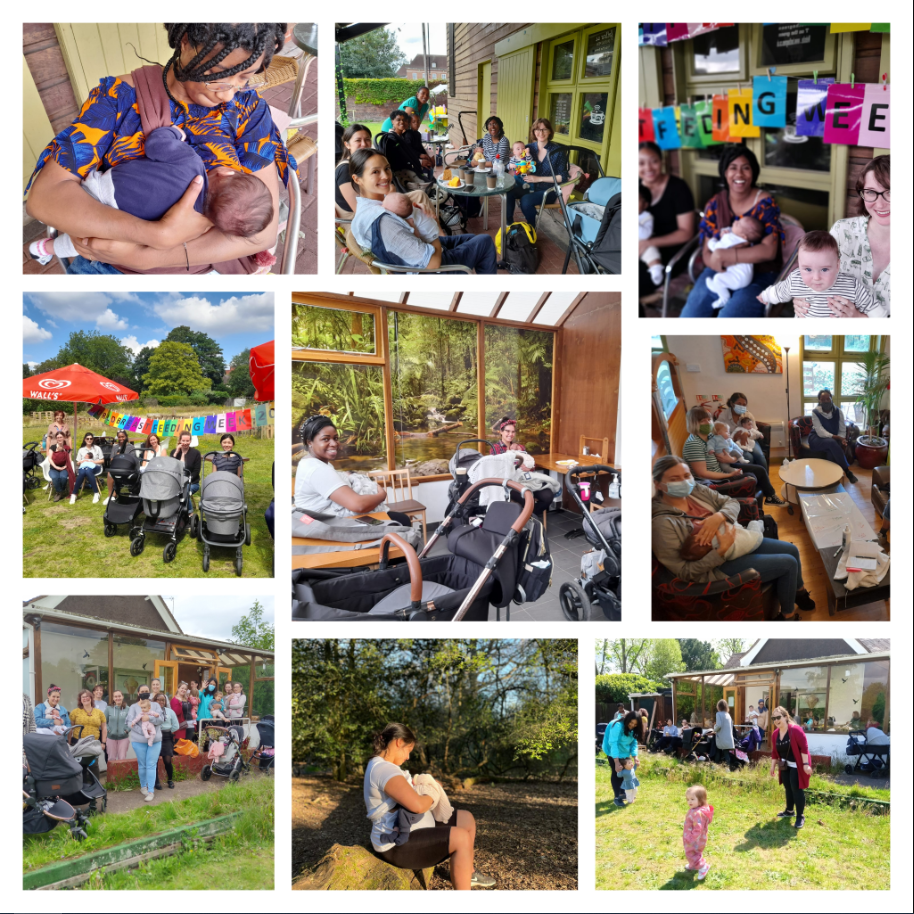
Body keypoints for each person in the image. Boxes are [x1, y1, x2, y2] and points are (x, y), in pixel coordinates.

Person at [24, 23, 293, 275]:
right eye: (216, 74)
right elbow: (45, 198)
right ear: (186, 41)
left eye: (245, 77)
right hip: (115, 272)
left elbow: (264, 233)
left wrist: (150, 254)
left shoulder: (248, 110)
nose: (227, 94)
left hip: (204, 273)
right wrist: (151, 234)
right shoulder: (119, 99)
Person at [29, 126, 275, 267]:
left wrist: (175, 134)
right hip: (117, 223)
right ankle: (46, 248)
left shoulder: (191, 162)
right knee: (80, 243)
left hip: (98, 188)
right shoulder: (193, 224)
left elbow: (156, 143)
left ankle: (51, 227)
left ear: (225, 172)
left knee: (74, 216)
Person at [652, 456, 814, 621]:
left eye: (686, 476)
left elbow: (731, 502)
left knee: (792, 550)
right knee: (788, 563)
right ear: (658, 484)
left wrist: (720, 516)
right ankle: (787, 616)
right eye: (674, 479)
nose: (684, 482)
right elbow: (684, 573)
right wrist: (720, 552)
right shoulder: (662, 524)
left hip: (736, 540)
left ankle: (798, 592)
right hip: (717, 564)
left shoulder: (695, 491)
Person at [363, 722, 494, 890]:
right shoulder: (383, 770)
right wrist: (433, 793)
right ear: (398, 742)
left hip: (414, 826)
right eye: (408, 750)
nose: (408, 757)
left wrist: (428, 784)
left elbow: (408, 788)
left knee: (466, 819)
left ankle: (468, 873)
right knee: (461, 838)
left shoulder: (386, 767)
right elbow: (418, 806)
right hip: (396, 842)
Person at [350, 150, 497, 274]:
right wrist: (433, 225)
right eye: (375, 172)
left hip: (420, 248)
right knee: (484, 242)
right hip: (430, 271)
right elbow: (432, 263)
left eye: (387, 168)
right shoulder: (382, 221)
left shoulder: (372, 205)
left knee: (471, 238)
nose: (386, 176)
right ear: (357, 179)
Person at [681, 145, 783, 317]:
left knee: (728, 319)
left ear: (754, 172)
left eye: (746, 168)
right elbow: (707, 250)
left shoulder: (765, 203)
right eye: (732, 168)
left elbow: (769, 251)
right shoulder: (714, 204)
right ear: (724, 172)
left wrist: (725, 256)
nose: (739, 174)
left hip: (760, 273)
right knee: (691, 315)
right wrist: (714, 262)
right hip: (720, 270)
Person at [294, 414, 413, 526]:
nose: (334, 443)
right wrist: (382, 495)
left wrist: (350, 475)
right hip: (326, 525)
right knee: (402, 521)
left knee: (398, 518)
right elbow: (358, 505)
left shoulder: (310, 462)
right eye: (326, 439)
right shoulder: (317, 469)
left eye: (335, 438)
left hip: (324, 520)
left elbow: (332, 479)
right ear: (309, 442)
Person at [816, 154, 890, 317]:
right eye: (871, 192)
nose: (880, 203)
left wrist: (859, 319)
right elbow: (816, 277)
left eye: (890, 192)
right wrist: (803, 296)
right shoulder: (843, 231)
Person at [757, 231, 877, 317]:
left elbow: (874, 310)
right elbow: (778, 292)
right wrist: (765, 296)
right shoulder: (796, 280)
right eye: (807, 269)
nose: (816, 278)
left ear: (837, 266)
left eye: (824, 269)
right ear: (799, 266)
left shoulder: (851, 285)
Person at [682, 406, 785, 506]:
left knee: (759, 470)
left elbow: (732, 448)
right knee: (751, 477)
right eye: (703, 421)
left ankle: (770, 497)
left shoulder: (711, 436)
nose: (708, 423)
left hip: (723, 466)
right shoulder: (693, 444)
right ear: (693, 424)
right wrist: (729, 475)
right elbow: (702, 474)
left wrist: (732, 459)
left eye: (709, 419)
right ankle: (751, 509)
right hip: (714, 481)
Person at [638, 142, 696, 297]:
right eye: (641, 163)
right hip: (640, 245)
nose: (648, 168)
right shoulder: (635, 186)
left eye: (654, 161)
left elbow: (686, 232)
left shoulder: (678, 188)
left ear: (661, 161)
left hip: (672, 249)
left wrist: (648, 243)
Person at [504, 118, 568, 229]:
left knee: (526, 200)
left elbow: (563, 177)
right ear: (534, 132)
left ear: (550, 131)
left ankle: (531, 229)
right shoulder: (528, 148)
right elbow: (517, 162)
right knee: (508, 192)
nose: (541, 133)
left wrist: (539, 179)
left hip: (548, 189)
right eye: (538, 129)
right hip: (528, 186)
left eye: (544, 129)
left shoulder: (558, 151)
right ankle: (509, 224)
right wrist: (519, 168)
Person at [705, 216, 765, 310]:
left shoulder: (732, 239)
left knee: (718, 278)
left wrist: (711, 242)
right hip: (744, 276)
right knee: (720, 278)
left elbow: (717, 250)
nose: (736, 221)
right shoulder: (743, 240)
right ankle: (718, 286)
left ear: (743, 236)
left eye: (738, 224)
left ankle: (724, 298)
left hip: (738, 277)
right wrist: (725, 231)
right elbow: (732, 230)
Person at [769, 704, 812, 829]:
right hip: (785, 765)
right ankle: (789, 811)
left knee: (796, 787)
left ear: (785, 716)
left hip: (797, 764)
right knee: (788, 787)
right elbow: (775, 752)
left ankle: (800, 816)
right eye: (773, 719)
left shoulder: (796, 730)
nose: (776, 720)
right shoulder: (775, 734)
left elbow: (804, 748)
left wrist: (805, 765)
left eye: (778, 717)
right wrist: (772, 766)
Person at [807, 389, 858, 483]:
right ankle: (847, 471)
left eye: (828, 398)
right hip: (817, 438)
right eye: (823, 399)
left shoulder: (839, 412)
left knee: (831, 449)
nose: (826, 401)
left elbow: (842, 429)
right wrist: (837, 438)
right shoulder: (815, 412)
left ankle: (830, 478)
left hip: (832, 439)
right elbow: (820, 431)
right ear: (819, 401)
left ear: (831, 398)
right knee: (831, 443)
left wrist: (841, 438)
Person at [714, 393, 768, 469]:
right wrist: (735, 437)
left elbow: (755, 431)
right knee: (748, 457)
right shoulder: (724, 415)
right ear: (732, 404)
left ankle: (764, 478)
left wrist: (747, 435)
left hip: (750, 440)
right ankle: (750, 478)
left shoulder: (748, 415)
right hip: (733, 442)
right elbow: (717, 430)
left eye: (744, 404)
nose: (742, 406)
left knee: (760, 456)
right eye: (739, 404)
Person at [128, 688, 162, 801]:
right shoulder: (133, 707)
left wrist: (150, 718)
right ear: (138, 693)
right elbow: (130, 722)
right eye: (142, 691)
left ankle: (151, 791)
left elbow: (161, 719)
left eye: (146, 690)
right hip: (139, 740)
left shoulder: (156, 705)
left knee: (151, 764)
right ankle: (143, 786)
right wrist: (144, 732)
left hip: (155, 740)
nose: (144, 693)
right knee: (142, 764)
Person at [602, 711, 642, 807]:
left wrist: (635, 757)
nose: (632, 725)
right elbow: (613, 743)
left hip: (624, 751)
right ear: (627, 720)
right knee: (617, 772)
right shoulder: (617, 726)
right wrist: (616, 762)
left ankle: (623, 793)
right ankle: (617, 797)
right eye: (631, 723)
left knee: (626, 772)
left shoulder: (634, 729)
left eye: (635, 724)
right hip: (612, 750)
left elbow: (633, 743)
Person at [335, 124, 373, 215]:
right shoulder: (345, 170)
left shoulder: (366, 163)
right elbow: (361, 211)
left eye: (367, 139)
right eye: (358, 140)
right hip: (354, 219)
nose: (364, 144)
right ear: (347, 145)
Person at [682, 785, 714, 879]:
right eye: (687, 799)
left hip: (694, 839)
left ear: (701, 800)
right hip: (695, 838)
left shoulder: (697, 813)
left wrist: (691, 839)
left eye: (692, 799)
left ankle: (703, 867)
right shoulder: (697, 810)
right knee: (693, 853)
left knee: (691, 853)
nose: (689, 802)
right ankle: (693, 865)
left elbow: (698, 829)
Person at [638, 184, 664, 286]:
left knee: (652, 252)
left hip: (643, 243)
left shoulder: (647, 217)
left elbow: (646, 234)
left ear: (645, 205)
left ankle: (656, 270)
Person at [103, 428, 137, 504]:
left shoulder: (131, 447)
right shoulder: (115, 447)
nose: (121, 438)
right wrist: (117, 457)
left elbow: (133, 459)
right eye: (119, 437)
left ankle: (120, 493)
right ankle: (110, 496)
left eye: (123, 436)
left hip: (127, 468)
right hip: (117, 467)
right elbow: (111, 458)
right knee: (109, 473)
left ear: (126, 437)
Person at [155, 691, 180, 790]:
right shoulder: (152, 711)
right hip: (156, 737)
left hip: (166, 737)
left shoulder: (170, 711)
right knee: (155, 761)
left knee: (167, 760)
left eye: (163, 700)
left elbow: (176, 725)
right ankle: (156, 782)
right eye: (159, 700)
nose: (161, 701)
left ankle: (170, 780)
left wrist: (168, 731)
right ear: (155, 701)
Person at [71, 433, 104, 504]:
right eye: (87, 438)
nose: (89, 440)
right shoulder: (81, 450)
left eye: (91, 439)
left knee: (88, 471)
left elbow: (102, 460)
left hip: (96, 466)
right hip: (84, 466)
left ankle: (96, 493)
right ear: (84, 439)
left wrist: (93, 461)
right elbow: (77, 462)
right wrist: (81, 462)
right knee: (83, 472)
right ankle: (74, 494)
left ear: (93, 439)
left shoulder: (97, 448)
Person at [46, 430, 74, 503]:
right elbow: (49, 458)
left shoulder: (67, 448)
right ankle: (59, 492)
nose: (59, 439)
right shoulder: (52, 447)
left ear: (64, 438)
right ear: (56, 439)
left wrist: (65, 466)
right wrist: (56, 467)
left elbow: (70, 459)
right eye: (58, 437)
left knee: (63, 477)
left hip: (64, 468)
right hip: (53, 468)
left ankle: (61, 491)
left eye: (61, 437)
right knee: (55, 477)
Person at [171, 429, 202, 495]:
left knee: (184, 491)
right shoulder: (174, 452)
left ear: (190, 441)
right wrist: (176, 452)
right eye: (183, 440)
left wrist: (185, 481)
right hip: (176, 481)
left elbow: (196, 471)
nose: (185, 443)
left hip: (191, 482)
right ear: (180, 440)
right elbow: (170, 467)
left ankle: (183, 504)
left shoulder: (196, 453)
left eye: (187, 441)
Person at [105, 690, 131, 761]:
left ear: (122, 697)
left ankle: (121, 773)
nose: (117, 698)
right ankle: (111, 772)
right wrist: (108, 730)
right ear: (113, 698)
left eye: (119, 696)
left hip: (123, 737)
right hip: (111, 737)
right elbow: (104, 722)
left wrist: (127, 730)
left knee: (122, 758)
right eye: (115, 696)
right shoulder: (108, 709)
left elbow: (131, 721)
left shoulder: (128, 709)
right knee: (111, 758)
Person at [714, 699, 736, 770]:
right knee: (726, 753)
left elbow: (719, 725)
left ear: (719, 706)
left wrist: (714, 728)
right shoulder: (728, 714)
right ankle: (727, 769)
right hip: (728, 738)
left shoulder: (718, 714)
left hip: (721, 737)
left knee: (717, 750)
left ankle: (715, 766)